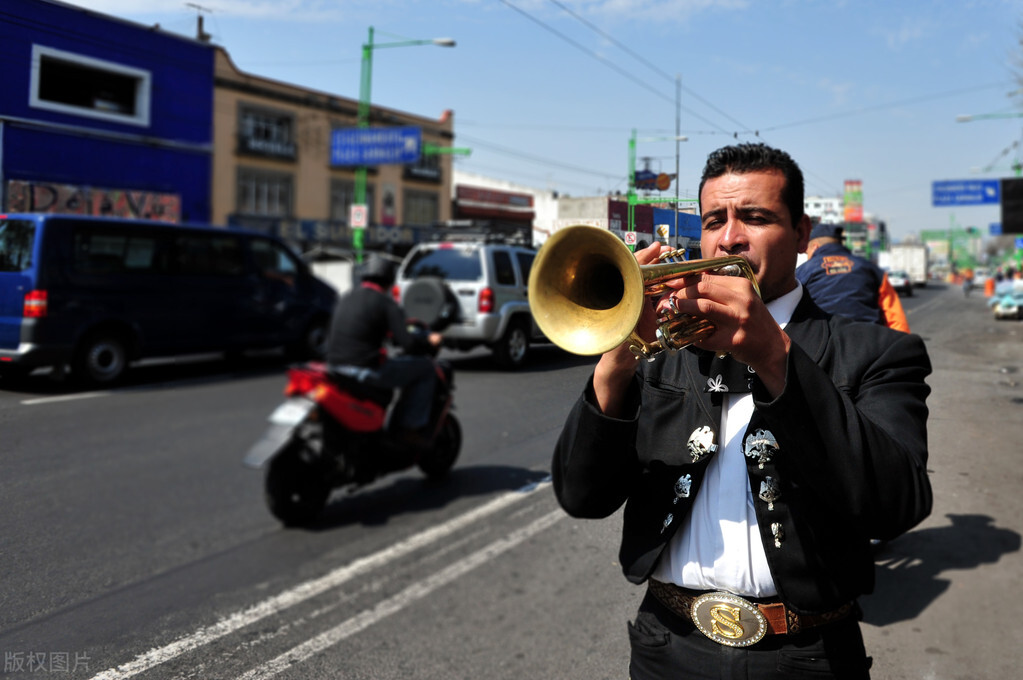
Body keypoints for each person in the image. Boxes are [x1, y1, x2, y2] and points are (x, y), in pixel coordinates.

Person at [551, 143, 932, 680]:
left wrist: (775, 356)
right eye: (714, 220)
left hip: (807, 655)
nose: (729, 236)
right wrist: (616, 360)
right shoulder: (663, 354)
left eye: (755, 217)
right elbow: (581, 496)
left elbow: (898, 504)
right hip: (668, 644)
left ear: (801, 234)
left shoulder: (876, 353)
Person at [325, 254, 442, 441]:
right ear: (389, 281)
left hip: (333, 367)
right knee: (426, 369)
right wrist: (429, 341)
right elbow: (409, 344)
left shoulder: (347, 296)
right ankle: (410, 429)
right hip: (363, 370)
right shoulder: (385, 303)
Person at [795, 222, 910, 332]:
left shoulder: (803, 272)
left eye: (807, 252)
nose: (808, 256)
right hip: (869, 342)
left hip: (823, 345)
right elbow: (895, 317)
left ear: (815, 247)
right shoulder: (872, 270)